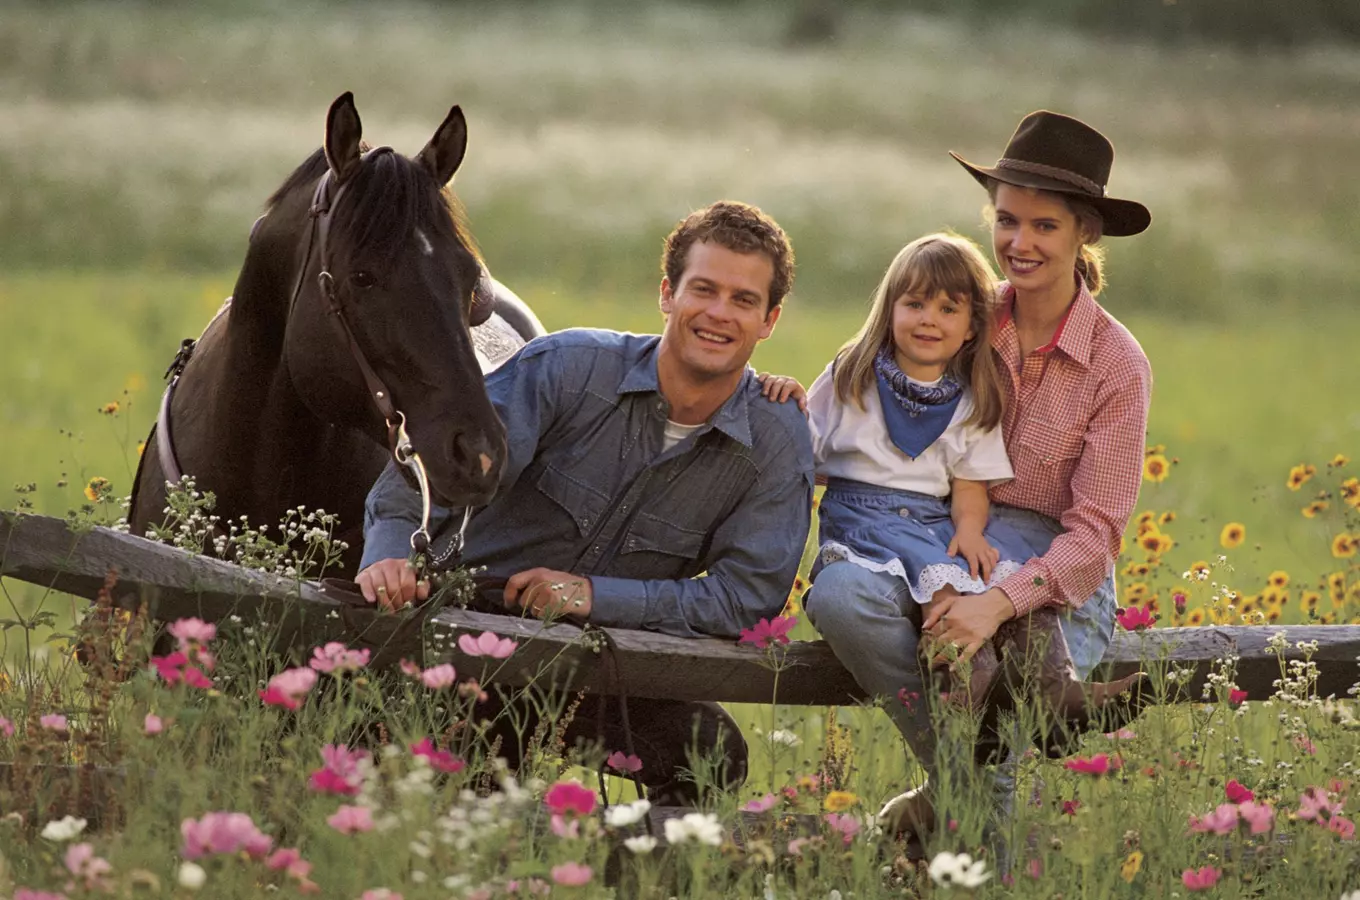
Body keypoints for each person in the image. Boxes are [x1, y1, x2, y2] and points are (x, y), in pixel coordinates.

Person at [356, 200, 815, 804]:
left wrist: (594, 596)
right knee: (449, 781)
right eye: (702, 289)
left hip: (593, 675)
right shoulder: (570, 369)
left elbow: (747, 597)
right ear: (667, 294)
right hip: (464, 644)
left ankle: (637, 874)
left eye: (743, 299)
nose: (718, 313)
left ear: (770, 319)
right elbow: (424, 476)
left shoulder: (775, 440)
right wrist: (389, 552)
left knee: (711, 754)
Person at [804, 110, 1154, 837]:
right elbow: (860, 378)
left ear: (1085, 231)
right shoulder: (957, 314)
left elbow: (1094, 536)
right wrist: (775, 403)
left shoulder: (1117, 365)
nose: (1018, 243)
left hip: (1054, 577)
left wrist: (996, 605)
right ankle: (944, 791)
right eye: (1006, 220)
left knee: (1007, 716)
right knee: (848, 602)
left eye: (1044, 226)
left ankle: (945, 824)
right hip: (935, 543)